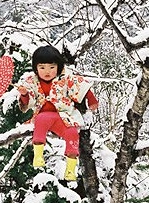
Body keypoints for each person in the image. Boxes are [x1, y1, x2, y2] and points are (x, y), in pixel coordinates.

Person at [17, 45, 98, 181]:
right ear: (36, 68)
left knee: (72, 133)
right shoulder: (32, 82)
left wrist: (91, 99)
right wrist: (24, 94)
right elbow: (29, 99)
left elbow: (81, 87)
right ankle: (38, 155)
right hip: (43, 115)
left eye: (51, 67)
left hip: (64, 116)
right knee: (42, 119)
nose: (47, 71)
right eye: (42, 67)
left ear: (58, 67)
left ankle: (71, 169)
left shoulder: (66, 79)